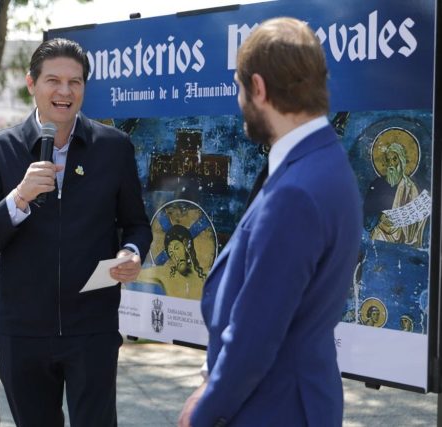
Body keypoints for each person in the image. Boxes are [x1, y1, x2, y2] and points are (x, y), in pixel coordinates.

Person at [178, 17, 362, 427]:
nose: (239, 99)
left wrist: (204, 412)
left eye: (239, 88)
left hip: (273, 409)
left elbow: (255, 337)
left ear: (258, 88)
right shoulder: (324, 162)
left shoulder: (295, 191)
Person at [0, 38, 152, 427]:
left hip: (93, 328)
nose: (64, 92)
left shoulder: (114, 147)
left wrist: (132, 252)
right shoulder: (1, 150)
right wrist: (19, 197)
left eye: (75, 82)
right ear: (31, 83)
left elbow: (135, 223)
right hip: (23, 331)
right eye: (53, 80)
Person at [364, 142, 426, 247]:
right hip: (380, 235)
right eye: (388, 160)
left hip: (403, 239)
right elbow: (367, 212)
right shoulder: (377, 184)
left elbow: (417, 216)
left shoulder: (410, 187)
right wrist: (380, 217)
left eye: (394, 159)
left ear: (401, 161)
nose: (391, 164)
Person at [136, 224, 207, 299]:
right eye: (171, 254)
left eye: (177, 248)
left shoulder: (206, 278)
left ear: (186, 244)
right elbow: (136, 273)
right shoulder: (167, 274)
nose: (176, 257)